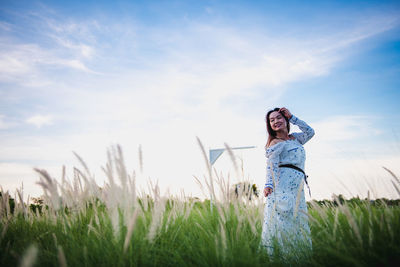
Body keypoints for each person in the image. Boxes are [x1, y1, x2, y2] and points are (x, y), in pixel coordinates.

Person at [261, 107, 314, 258]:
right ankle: (283, 258)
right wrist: (268, 185)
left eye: (279, 118)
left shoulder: (296, 139)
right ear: (269, 125)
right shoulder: (275, 143)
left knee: (298, 221)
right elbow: (271, 166)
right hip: (282, 187)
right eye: (272, 120)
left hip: (297, 188)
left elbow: (310, 132)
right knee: (284, 223)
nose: (275, 121)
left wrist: (293, 117)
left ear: (285, 119)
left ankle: (300, 258)